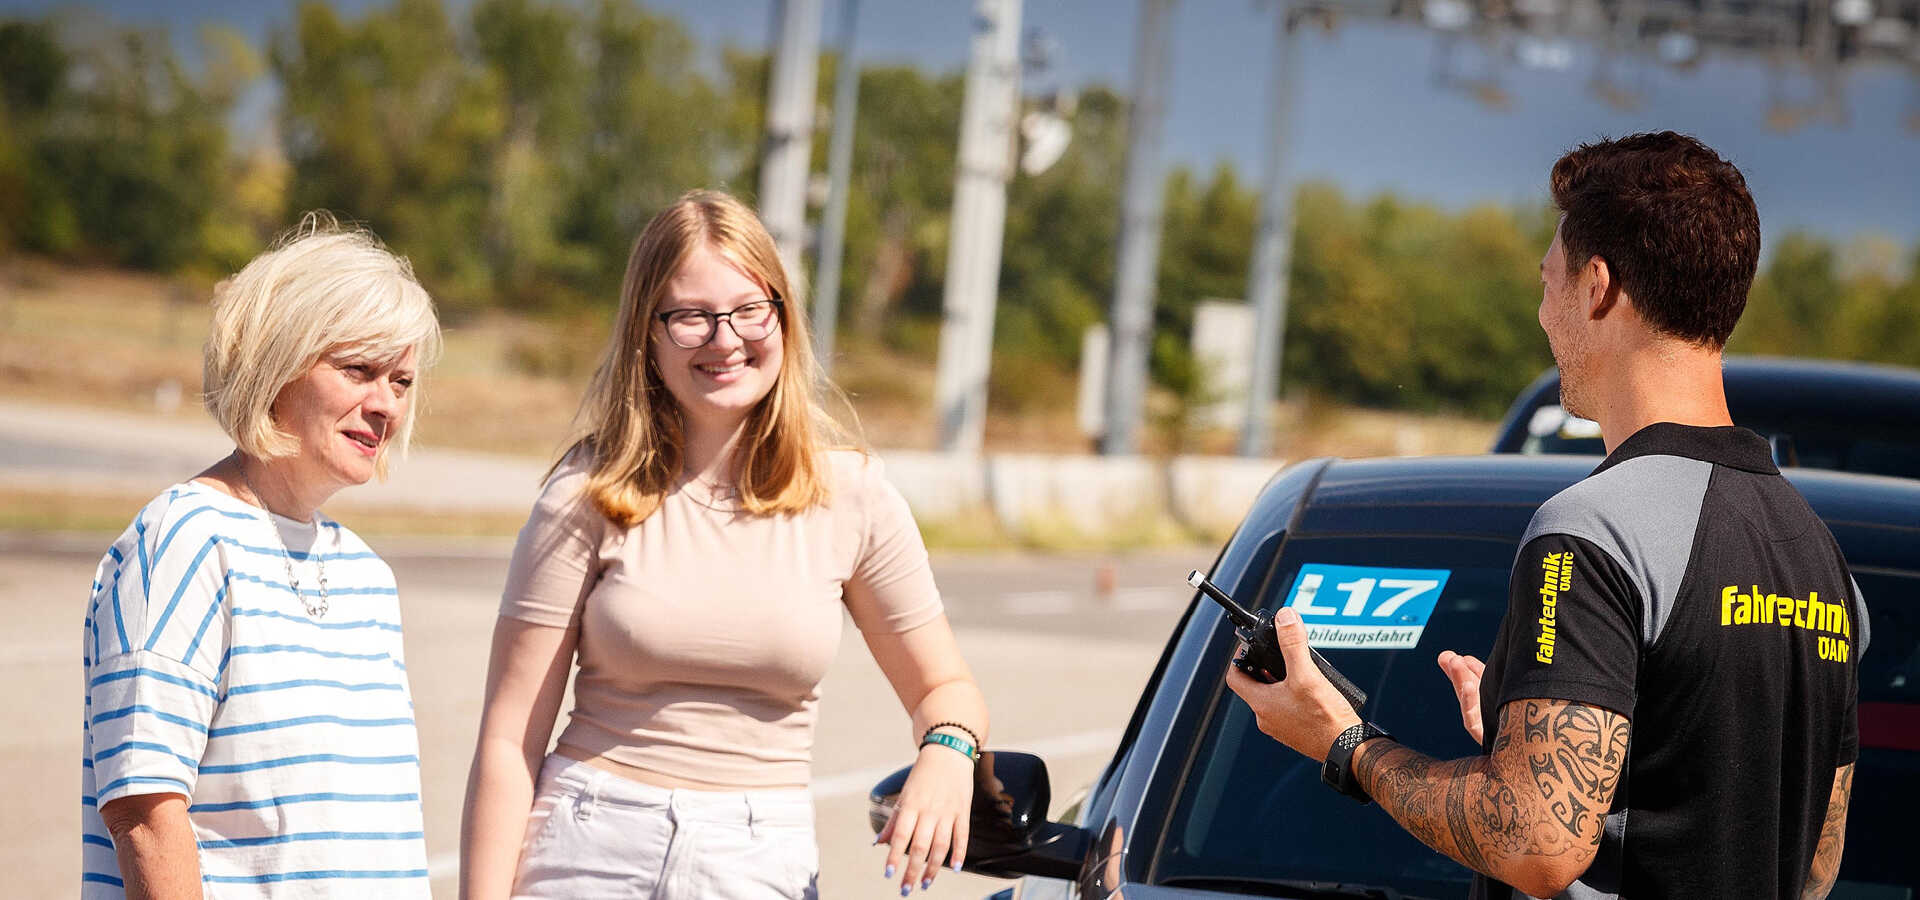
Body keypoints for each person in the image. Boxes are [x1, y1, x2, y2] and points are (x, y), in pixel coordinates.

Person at [1227, 131, 1866, 899]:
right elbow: (1815, 864)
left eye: (1548, 280)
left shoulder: (1596, 529)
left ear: (1597, 286)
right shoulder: (1819, 555)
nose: (1541, 312)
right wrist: (1527, 746)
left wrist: (1343, 742)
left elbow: (1536, 842)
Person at [460, 189, 988, 900]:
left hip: (756, 858)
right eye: (691, 317)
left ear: (783, 317)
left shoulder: (854, 497)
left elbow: (944, 688)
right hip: (587, 846)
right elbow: (508, 742)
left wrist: (948, 752)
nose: (725, 338)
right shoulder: (583, 491)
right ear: (646, 333)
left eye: (748, 309)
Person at [81, 217, 443, 898]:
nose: (385, 405)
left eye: (400, 381)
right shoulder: (185, 539)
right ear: (277, 366)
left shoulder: (368, 575)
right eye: (359, 370)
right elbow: (145, 816)